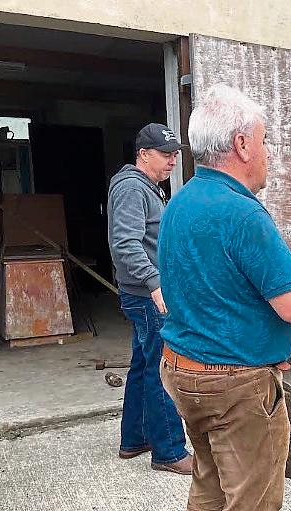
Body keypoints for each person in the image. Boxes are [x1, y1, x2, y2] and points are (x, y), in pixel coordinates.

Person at [158, 84, 291, 511]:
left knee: (211, 488)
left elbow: (215, 271)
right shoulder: (243, 213)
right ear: (240, 144)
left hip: (185, 373)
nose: (268, 152)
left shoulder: (182, 203)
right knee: (250, 507)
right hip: (235, 388)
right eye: (263, 140)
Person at [107, 123, 192, 475]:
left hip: (144, 294)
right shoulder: (132, 188)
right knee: (162, 369)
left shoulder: (147, 188)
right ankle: (169, 451)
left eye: (175, 154)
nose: (173, 161)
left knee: (143, 364)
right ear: (143, 154)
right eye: (165, 154)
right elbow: (125, 243)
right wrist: (155, 283)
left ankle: (135, 438)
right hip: (147, 296)